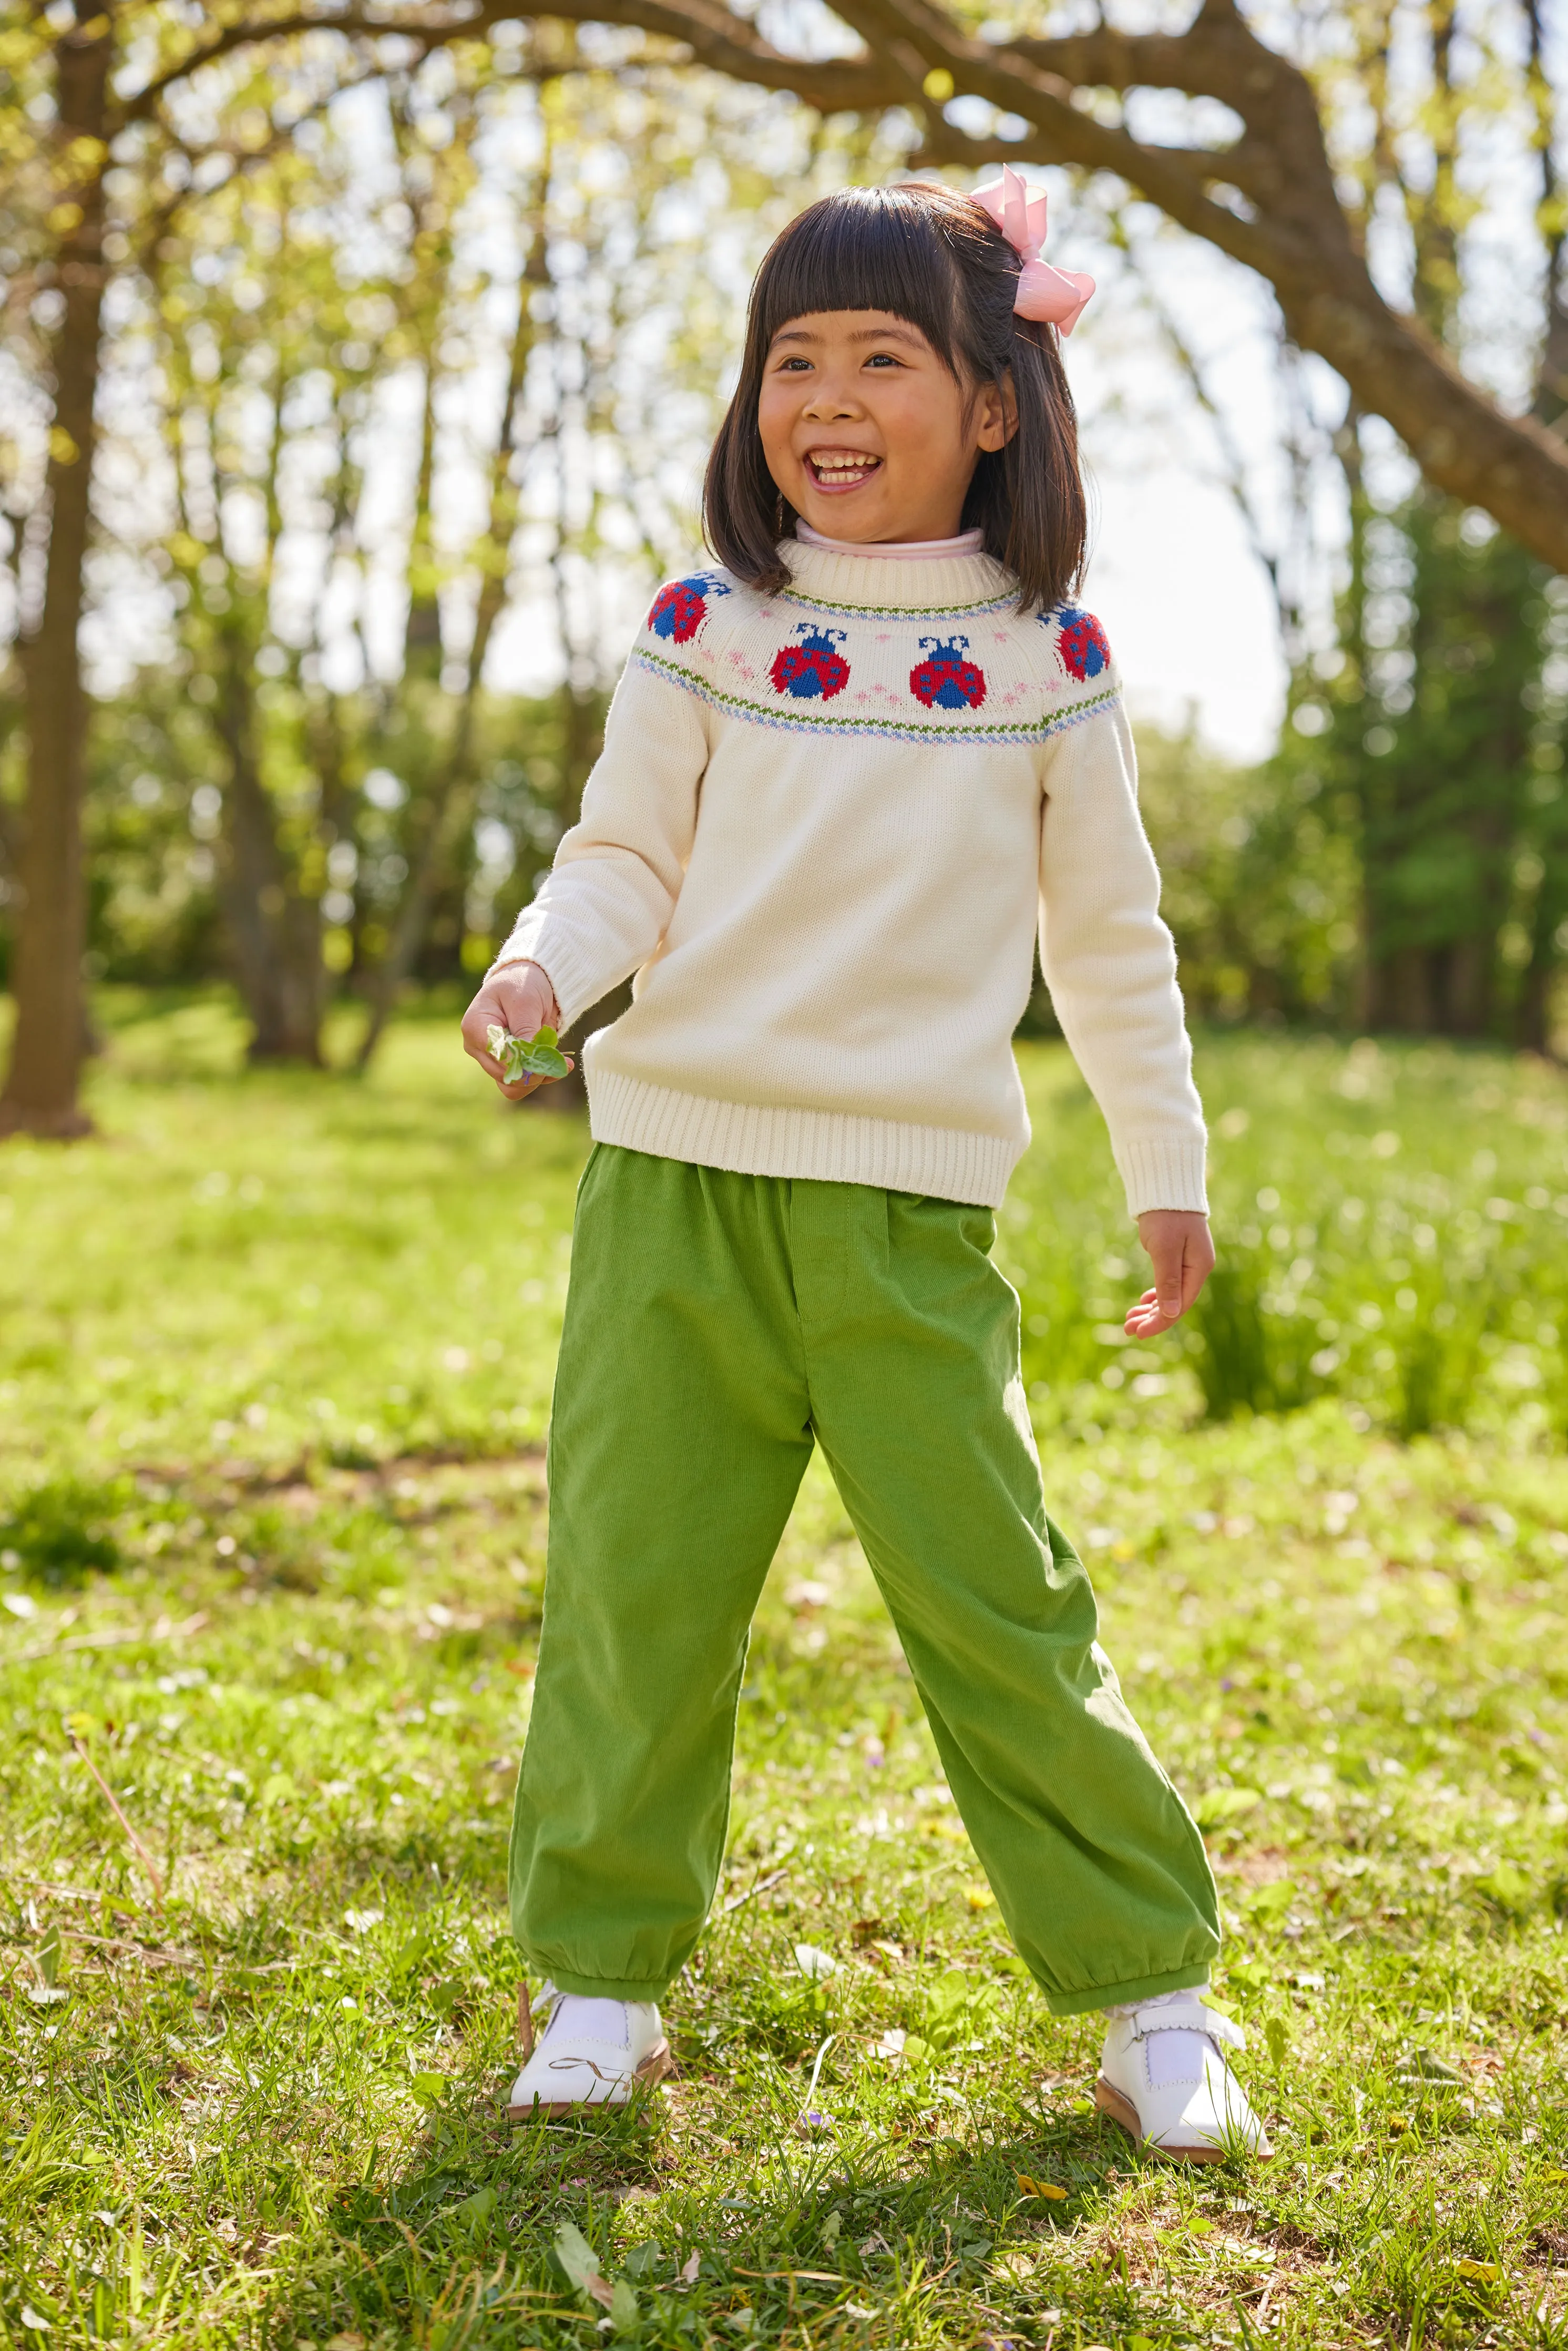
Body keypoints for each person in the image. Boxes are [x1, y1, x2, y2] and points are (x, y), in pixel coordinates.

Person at [461, 173, 1266, 2162]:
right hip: (674, 1196)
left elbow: (1111, 947)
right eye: (790, 359)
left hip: (908, 1225)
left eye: (879, 356)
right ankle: (601, 1989)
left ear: (994, 401)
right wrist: (540, 966)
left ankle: (1154, 2001)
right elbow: (623, 853)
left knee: (1002, 1610)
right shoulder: (704, 627)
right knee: (639, 1597)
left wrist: (1163, 1160)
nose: (824, 394)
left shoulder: (1046, 658)